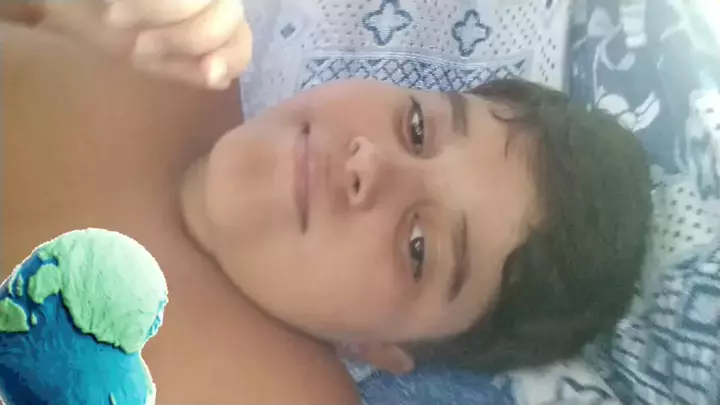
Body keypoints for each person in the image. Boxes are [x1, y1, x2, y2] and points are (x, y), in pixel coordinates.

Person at [1, 1, 652, 404]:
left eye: (418, 248)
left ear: (381, 347)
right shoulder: (160, 40)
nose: (368, 163)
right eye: (417, 128)